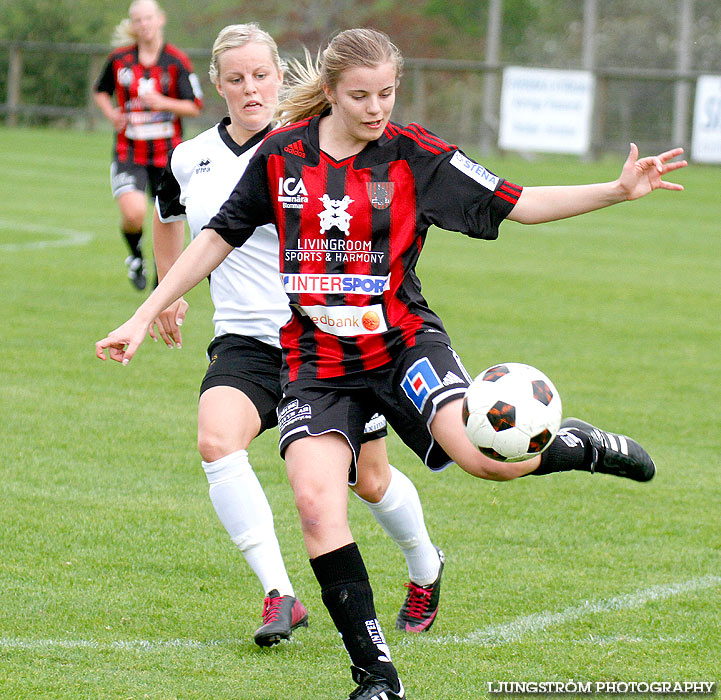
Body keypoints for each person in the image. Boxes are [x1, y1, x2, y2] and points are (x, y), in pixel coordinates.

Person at [96, 27, 687, 700]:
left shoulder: (414, 156)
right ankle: (375, 676)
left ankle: (578, 444)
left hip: (402, 344)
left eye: (385, 93)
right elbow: (217, 237)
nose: (375, 108)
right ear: (329, 92)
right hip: (315, 358)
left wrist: (613, 190)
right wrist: (144, 315)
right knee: (318, 506)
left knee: (483, 460)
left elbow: (517, 202)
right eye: (359, 96)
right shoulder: (283, 157)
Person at [150, 23, 444, 647]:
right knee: (215, 439)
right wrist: (164, 294)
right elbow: (171, 217)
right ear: (217, 84)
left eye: (262, 75)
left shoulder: (310, 146)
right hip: (245, 342)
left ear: (282, 75)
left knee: (368, 480)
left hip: (324, 340)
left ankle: (425, 566)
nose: (251, 88)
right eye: (237, 78)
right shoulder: (189, 157)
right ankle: (280, 593)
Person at [93, 0, 203, 290]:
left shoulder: (176, 61)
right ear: (133, 24)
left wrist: (162, 102)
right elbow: (101, 91)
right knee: (133, 213)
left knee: (168, 219)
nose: (144, 25)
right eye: (137, 20)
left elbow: (194, 106)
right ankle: (136, 257)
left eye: (148, 18)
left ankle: (162, 277)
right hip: (129, 151)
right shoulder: (120, 60)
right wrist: (111, 113)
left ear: (160, 19)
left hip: (169, 156)